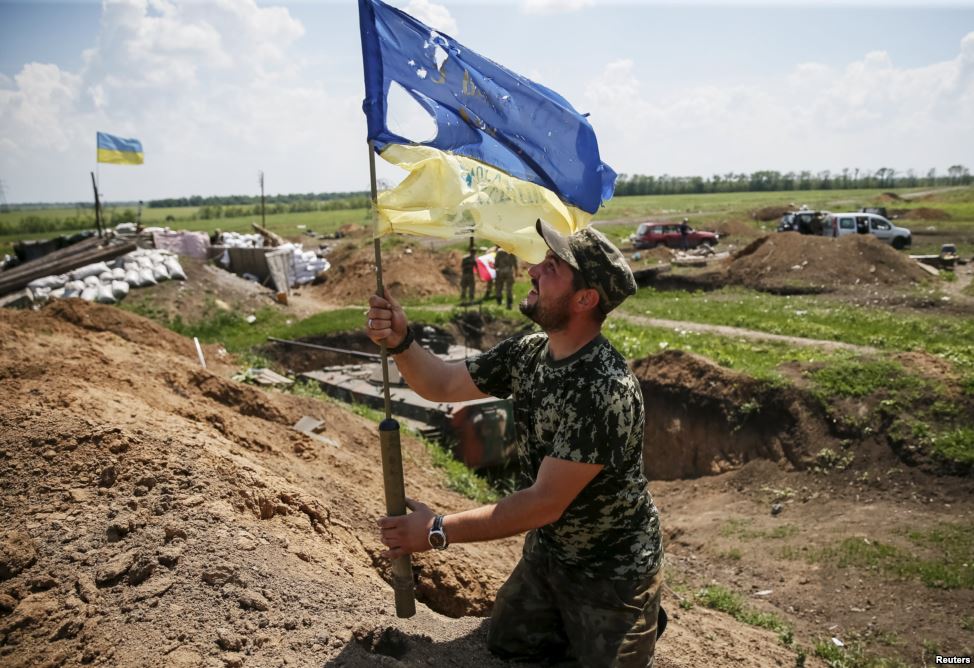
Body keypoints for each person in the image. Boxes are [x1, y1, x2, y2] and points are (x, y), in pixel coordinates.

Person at [365, 220, 664, 667]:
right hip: (550, 553)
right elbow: (442, 383)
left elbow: (542, 503)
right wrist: (402, 341)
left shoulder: (605, 389)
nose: (532, 271)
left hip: (612, 570)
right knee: (508, 643)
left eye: (552, 267)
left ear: (585, 299)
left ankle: (639, 615)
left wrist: (435, 531)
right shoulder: (528, 353)